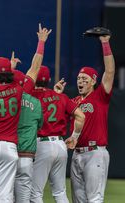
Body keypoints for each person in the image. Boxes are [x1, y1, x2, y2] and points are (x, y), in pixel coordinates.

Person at [0, 24, 51, 203]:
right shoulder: (17, 89)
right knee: (5, 196)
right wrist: (41, 43)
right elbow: (34, 69)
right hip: (10, 148)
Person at [55, 35, 115, 202]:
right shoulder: (73, 101)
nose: (80, 81)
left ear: (93, 81)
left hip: (95, 153)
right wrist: (57, 95)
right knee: (78, 199)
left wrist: (105, 43)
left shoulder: (100, 96)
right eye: (79, 79)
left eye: (84, 79)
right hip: (77, 154)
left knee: (94, 198)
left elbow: (110, 71)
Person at [30, 65, 85, 203]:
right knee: (60, 192)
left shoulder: (30, 96)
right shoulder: (61, 97)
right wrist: (74, 137)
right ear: (48, 79)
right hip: (60, 145)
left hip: (42, 144)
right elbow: (81, 116)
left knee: (35, 193)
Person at [12, 69, 43, 203]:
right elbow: (39, 125)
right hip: (27, 156)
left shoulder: (9, 100)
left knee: (5, 195)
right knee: (24, 197)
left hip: (10, 153)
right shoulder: (36, 103)